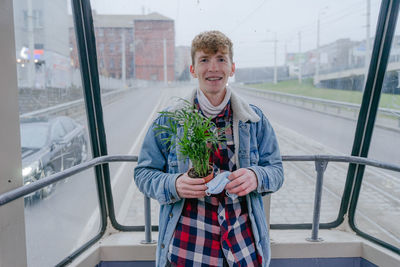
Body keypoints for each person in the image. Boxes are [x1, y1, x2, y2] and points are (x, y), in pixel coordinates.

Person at [134, 30, 284, 267]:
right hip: (188, 249)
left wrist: (257, 176)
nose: (213, 68)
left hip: (243, 250)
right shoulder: (170, 120)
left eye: (221, 59)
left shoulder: (254, 120)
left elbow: (276, 171)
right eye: (204, 60)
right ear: (193, 69)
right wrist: (174, 184)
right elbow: (143, 174)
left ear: (232, 68)